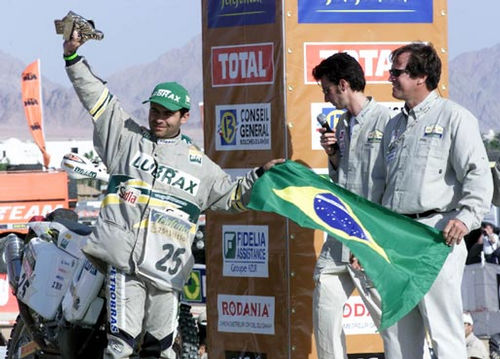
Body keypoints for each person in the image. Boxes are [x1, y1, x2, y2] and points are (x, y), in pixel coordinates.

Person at [62, 31, 283, 359]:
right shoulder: (125, 138)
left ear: (184, 116)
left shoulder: (199, 165)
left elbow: (233, 197)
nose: (158, 118)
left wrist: (261, 175)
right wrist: (72, 58)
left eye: (167, 113)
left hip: (167, 273)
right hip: (125, 264)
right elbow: (95, 96)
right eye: (154, 110)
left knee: (162, 349)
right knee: (120, 345)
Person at [381, 42, 493, 359]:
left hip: (436, 234)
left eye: (396, 72)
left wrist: (465, 217)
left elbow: (478, 175)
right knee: (396, 331)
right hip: (397, 236)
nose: (390, 77)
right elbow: (381, 187)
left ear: (420, 77)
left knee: (442, 328)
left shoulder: (455, 118)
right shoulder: (394, 125)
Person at [311, 52, 391, 359]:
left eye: (327, 89)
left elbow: (391, 186)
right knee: (324, 314)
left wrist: (376, 237)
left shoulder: (386, 121)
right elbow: (341, 177)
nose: (325, 97)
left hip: (370, 239)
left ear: (343, 84)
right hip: (338, 237)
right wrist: (333, 156)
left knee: (390, 322)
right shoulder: (342, 125)